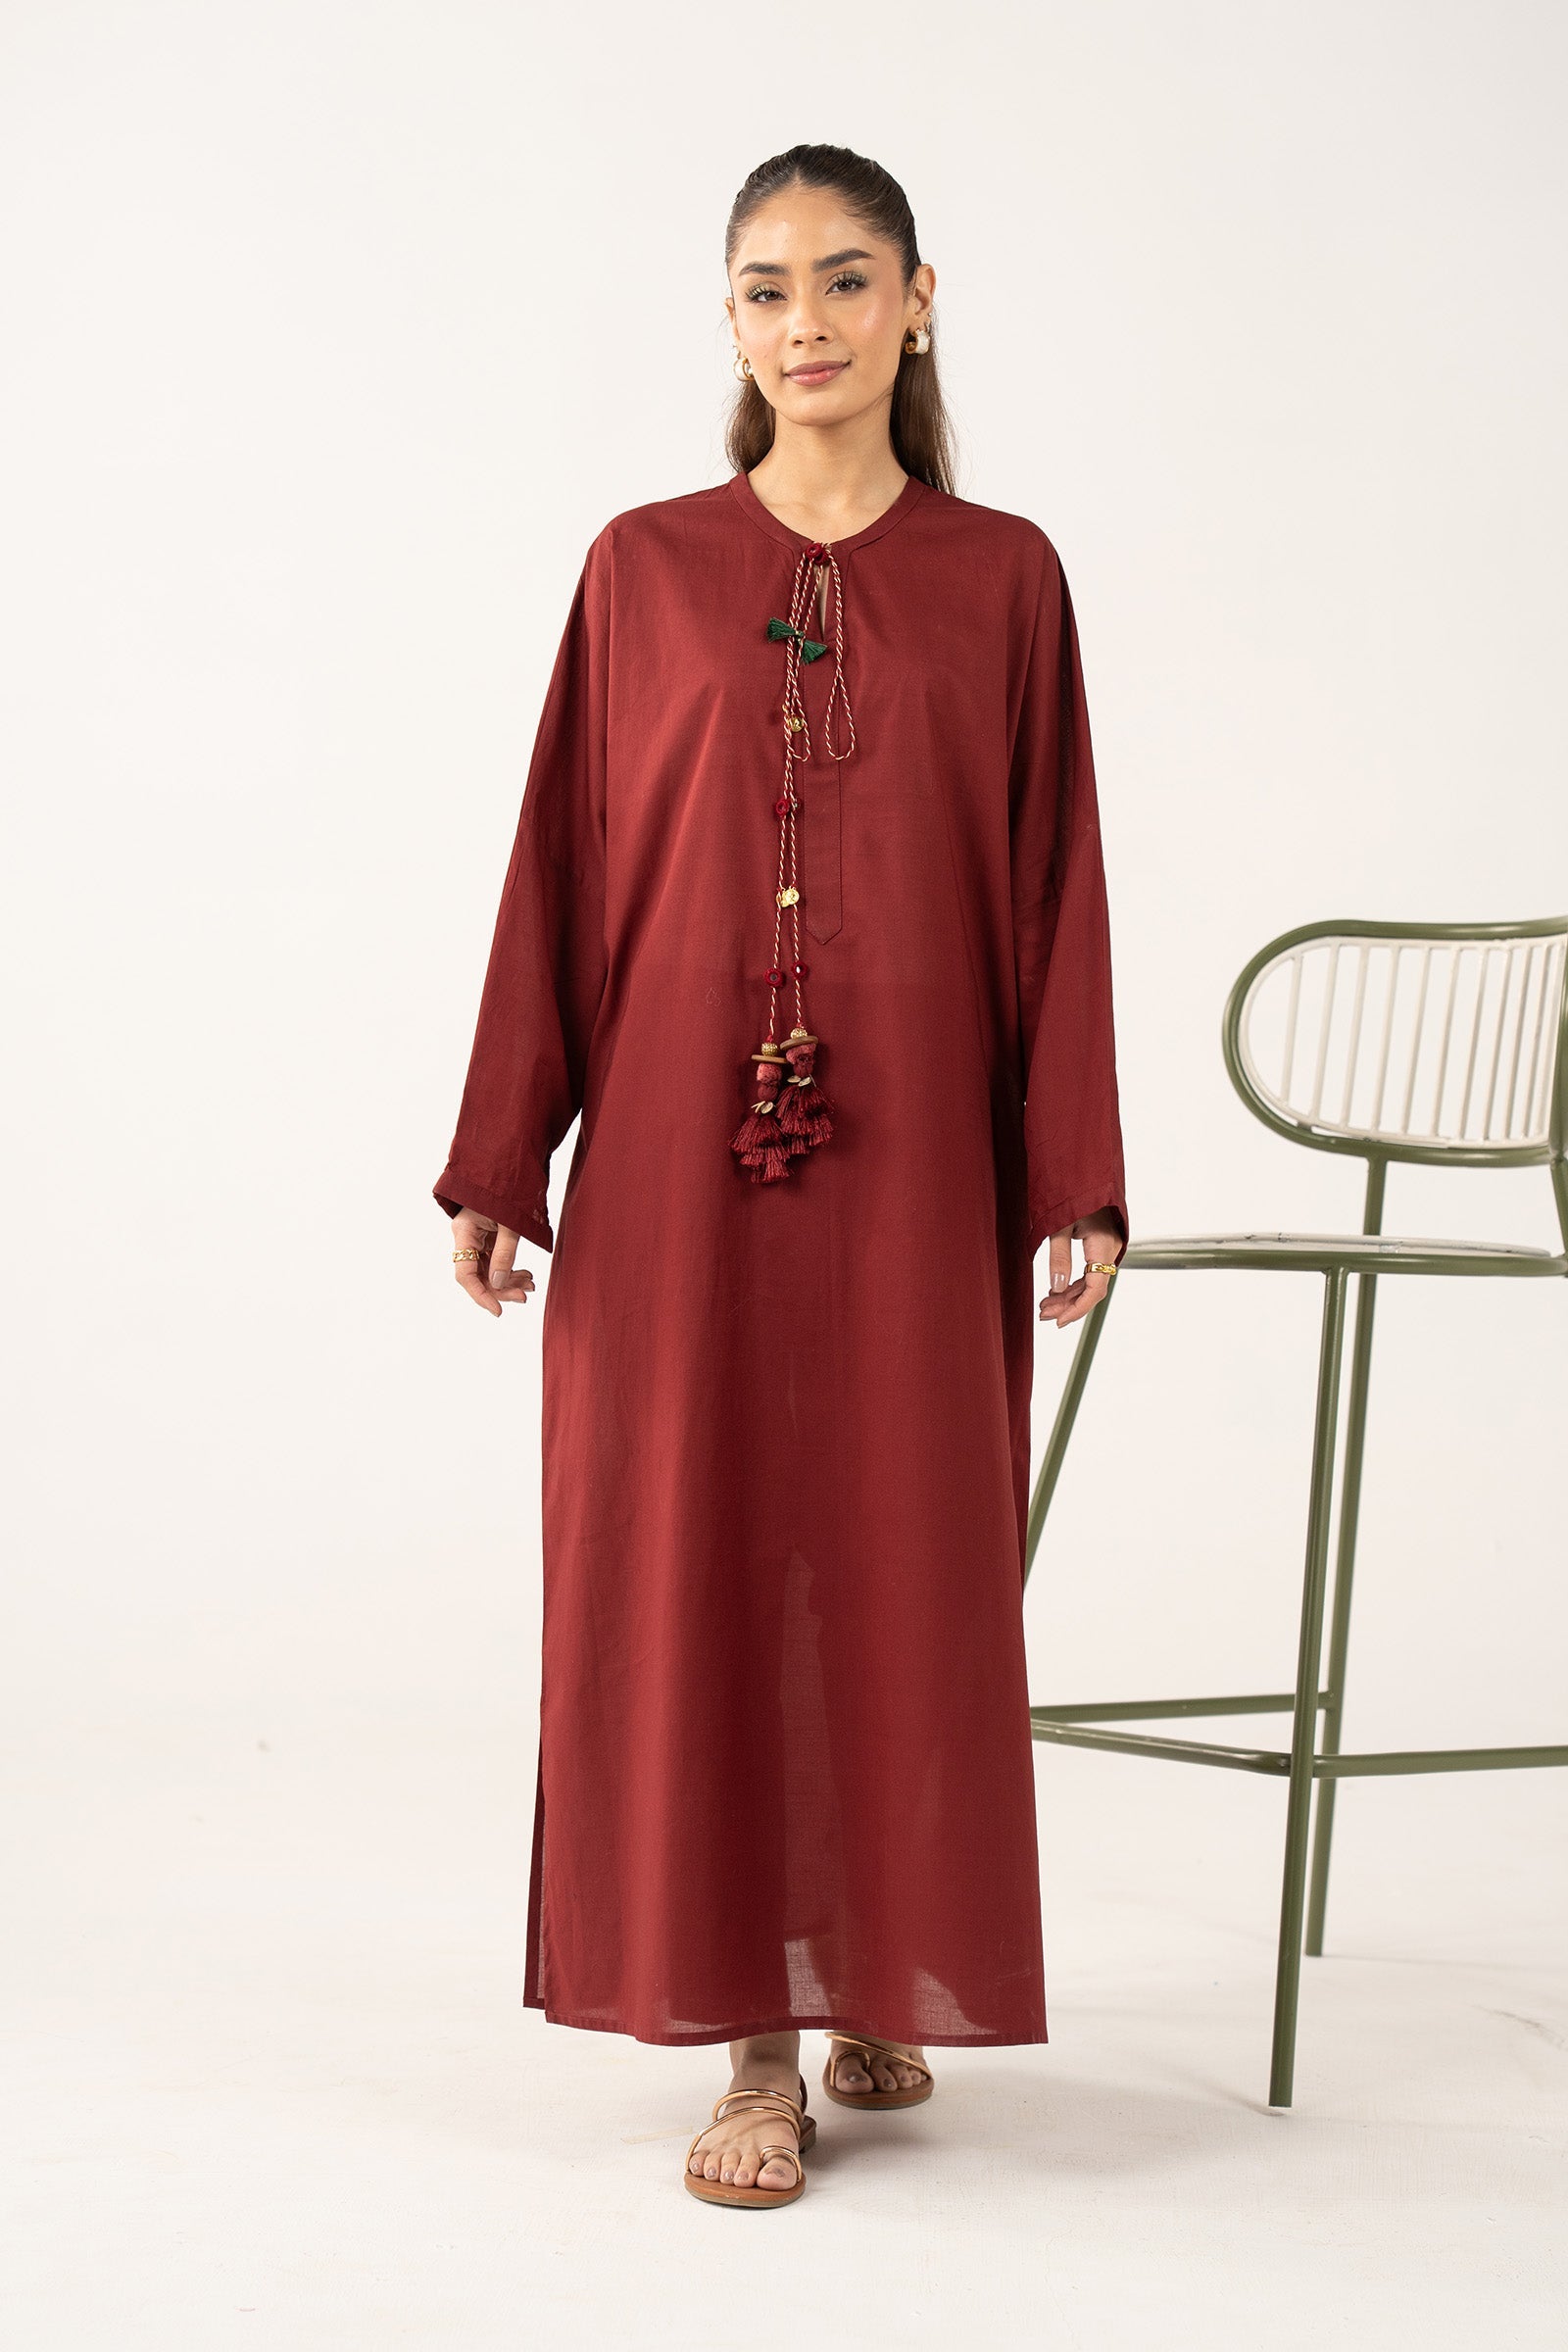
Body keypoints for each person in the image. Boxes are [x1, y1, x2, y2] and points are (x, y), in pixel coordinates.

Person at [432, 141, 1129, 2210]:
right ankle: (754, 2042)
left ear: (918, 300)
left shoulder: (1005, 577)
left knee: (903, 1550)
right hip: (673, 1149)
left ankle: (874, 1967)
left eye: (841, 278)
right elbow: (561, 868)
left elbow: (1055, 889)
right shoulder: (641, 568)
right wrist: (506, 1149)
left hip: (919, 1157)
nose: (802, 321)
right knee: (701, 1555)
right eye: (763, 286)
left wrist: (1074, 1174)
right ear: (728, 321)